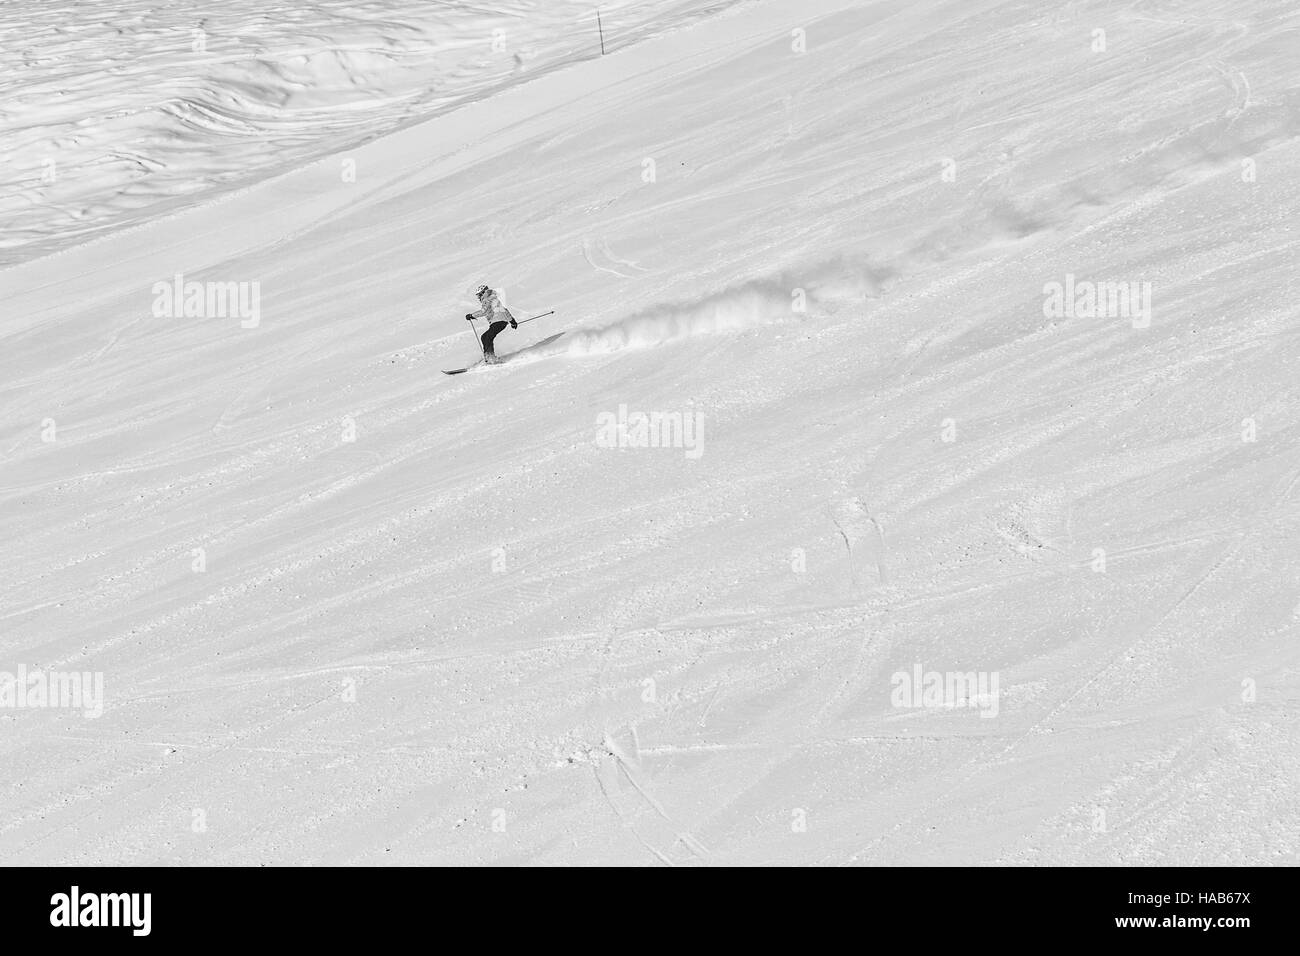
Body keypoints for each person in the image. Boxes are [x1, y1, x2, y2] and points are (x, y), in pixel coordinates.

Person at [465, 284, 517, 364]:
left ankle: (490, 357)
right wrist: (512, 321)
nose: (478, 297)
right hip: (501, 322)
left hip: (497, 322)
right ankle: (488, 356)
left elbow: (484, 311)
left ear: (483, 293)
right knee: (485, 337)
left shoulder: (487, 299)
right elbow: (504, 310)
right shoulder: (494, 299)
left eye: (479, 295)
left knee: (488, 337)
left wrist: (472, 315)